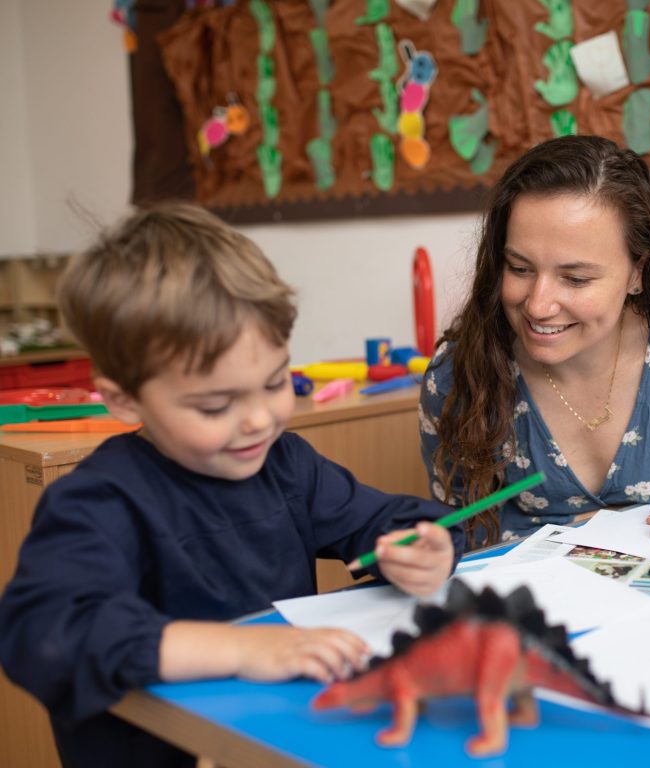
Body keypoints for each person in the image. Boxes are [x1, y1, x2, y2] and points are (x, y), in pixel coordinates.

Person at [0, 203, 464, 768]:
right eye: (216, 404)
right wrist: (239, 648)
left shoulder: (286, 465)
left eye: (274, 383)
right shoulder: (100, 501)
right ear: (123, 399)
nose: (259, 421)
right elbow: (42, 633)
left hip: (277, 740)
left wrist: (425, 544)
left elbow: (386, 519)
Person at [419, 135, 650, 549]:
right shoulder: (458, 373)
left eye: (576, 278)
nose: (538, 304)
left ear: (638, 272)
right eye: (519, 268)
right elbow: (458, 527)